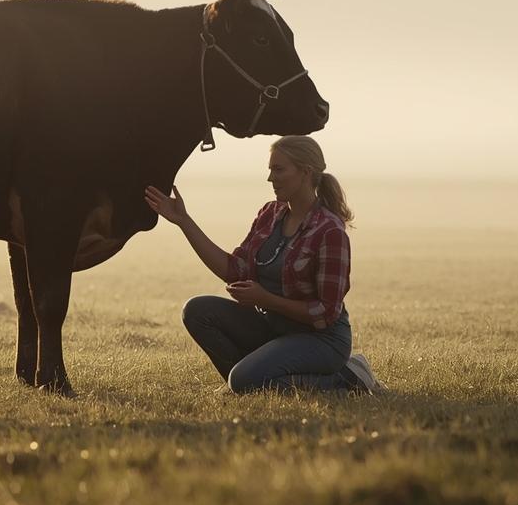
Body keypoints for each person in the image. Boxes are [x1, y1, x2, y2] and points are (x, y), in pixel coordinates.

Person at [143, 135, 381, 394]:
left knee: (243, 380)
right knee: (198, 310)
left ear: (305, 172)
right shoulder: (270, 214)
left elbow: (326, 313)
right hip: (274, 328)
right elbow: (233, 270)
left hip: (321, 339)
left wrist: (266, 300)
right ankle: (247, 383)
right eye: (270, 169)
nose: (270, 178)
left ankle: (348, 378)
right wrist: (184, 221)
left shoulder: (329, 231)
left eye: (278, 170)